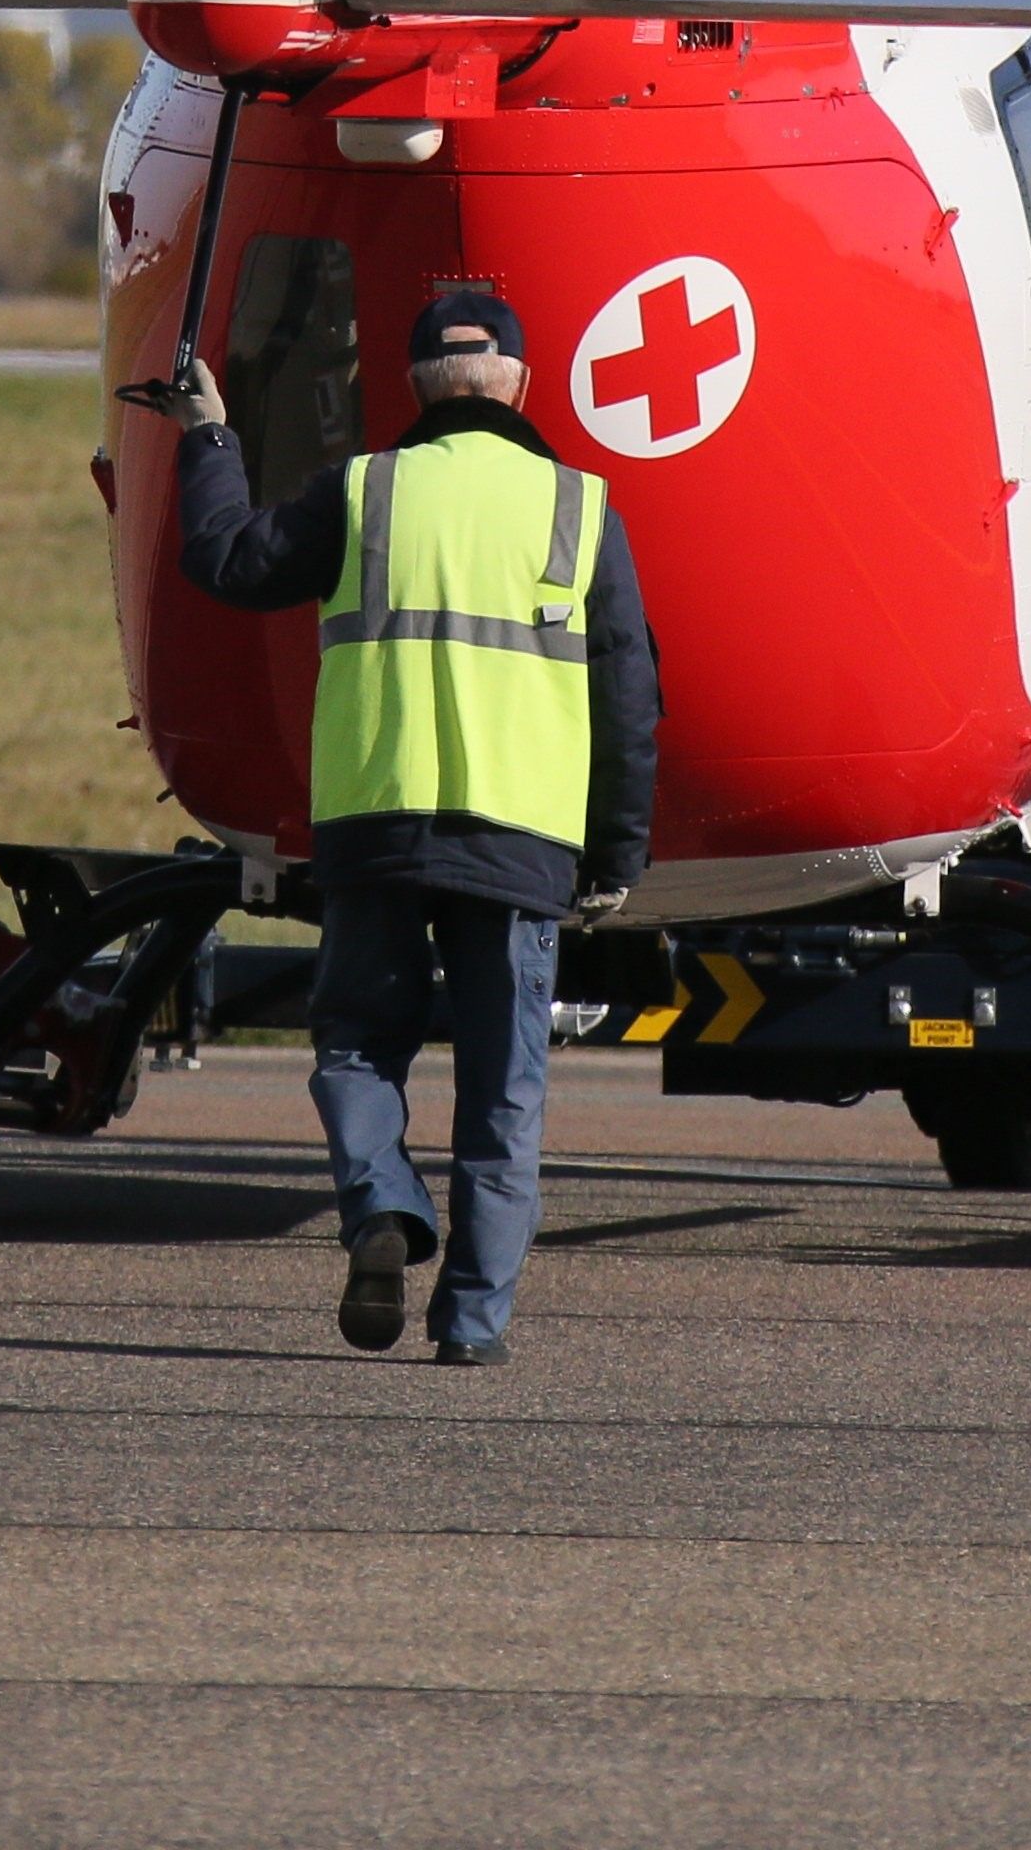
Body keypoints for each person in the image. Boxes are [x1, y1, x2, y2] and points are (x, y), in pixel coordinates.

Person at [169, 284, 654, 1367]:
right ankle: (472, 1324)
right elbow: (629, 697)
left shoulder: (364, 492)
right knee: (503, 1091)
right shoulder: (578, 508)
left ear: (415, 387)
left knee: (355, 1046)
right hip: (520, 843)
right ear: (520, 384)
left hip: (376, 829)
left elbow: (229, 562)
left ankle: (383, 1208)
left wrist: (208, 435)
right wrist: (616, 853)